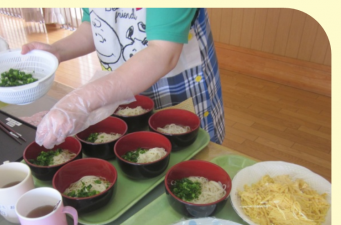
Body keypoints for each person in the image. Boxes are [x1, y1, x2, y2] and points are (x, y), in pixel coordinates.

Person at [22, 8, 225, 149]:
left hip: (176, 90)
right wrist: (57, 50)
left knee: (187, 158)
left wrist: (79, 102)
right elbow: (93, 26)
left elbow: (163, 54)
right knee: (143, 153)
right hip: (118, 88)